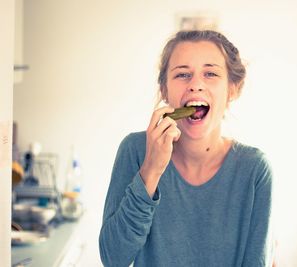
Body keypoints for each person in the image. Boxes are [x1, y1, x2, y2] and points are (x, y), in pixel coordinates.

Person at [99, 30, 274, 267]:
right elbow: (113, 259)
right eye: (182, 74)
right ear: (164, 90)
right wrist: (150, 170)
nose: (195, 85)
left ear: (233, 89)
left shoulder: (254, 169)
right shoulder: (135, 150)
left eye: (210, 73)